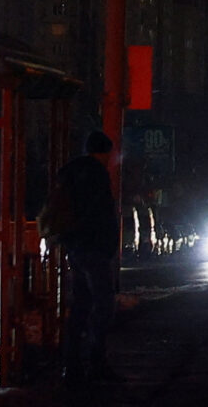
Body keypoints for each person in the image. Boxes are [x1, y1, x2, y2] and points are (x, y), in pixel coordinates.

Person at [57, 130, 123, 386]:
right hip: (94, 248)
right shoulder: (96, 176)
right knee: (103, 306)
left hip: (75, 248)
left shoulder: (70, 173)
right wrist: (107, 246)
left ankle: (71, 364)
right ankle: (96, 362)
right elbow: (100, 215)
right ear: (103, 152)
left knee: (81, 305)